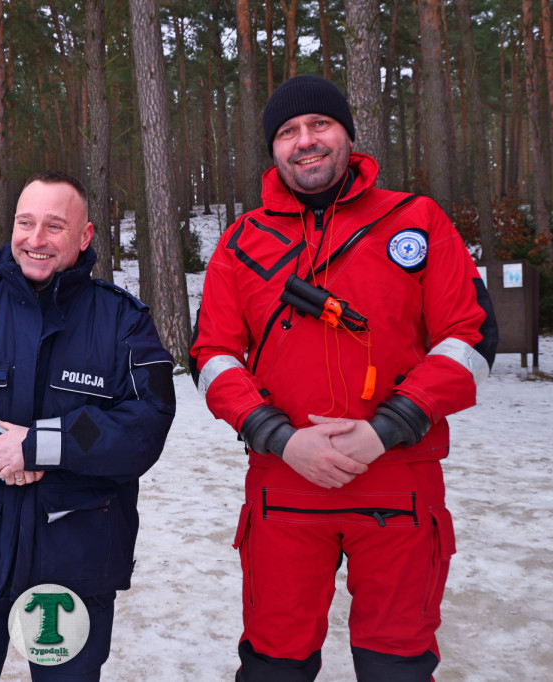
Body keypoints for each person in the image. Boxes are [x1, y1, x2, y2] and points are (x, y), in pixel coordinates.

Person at [190, 75, 498, 681]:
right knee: (273, 664)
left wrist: (387, 429)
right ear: (273, 149)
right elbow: (211, 357)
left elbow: (471, 337)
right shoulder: (240, 242)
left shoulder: (416, 219)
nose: (305, 141)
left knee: (398, 665)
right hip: (285, 488)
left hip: (398, 486)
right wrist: (279, 438)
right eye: (287, 132)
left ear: (347, 136)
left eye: (319, 125)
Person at [0, 171, 176, 680]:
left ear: (85, 236)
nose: (35, 239)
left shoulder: (121, 321)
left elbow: (143, 424)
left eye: (54, 226)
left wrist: (47, 445)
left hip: (74, 568)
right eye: (26, 223)